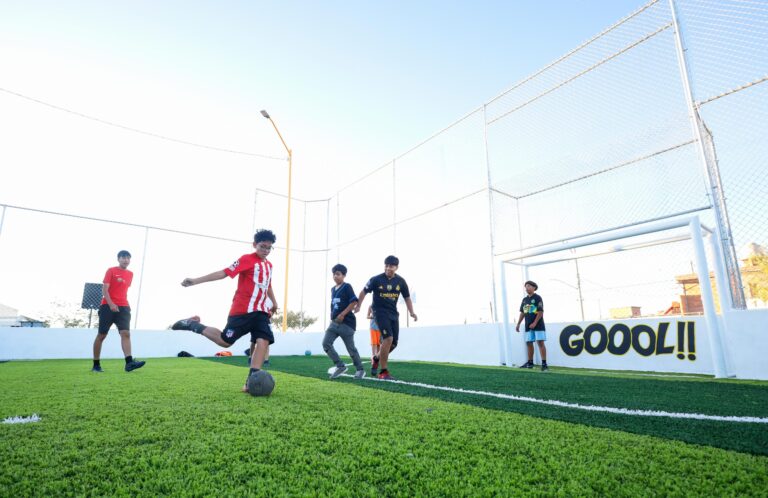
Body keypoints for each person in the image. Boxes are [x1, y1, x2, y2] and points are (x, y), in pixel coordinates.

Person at [172, 229, 278, 391]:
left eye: (269, 248)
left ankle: (250, 382)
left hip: (262, 311)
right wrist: (195, 280)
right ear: (254, 245)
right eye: (263, 247)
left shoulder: (269, 265)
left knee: (263, 341)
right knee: (225, 341)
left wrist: (274, 303)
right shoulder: (246, 259)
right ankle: (192, 324)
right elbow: (224, 273)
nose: (265, 251)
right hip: (242, 311)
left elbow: (267, 285)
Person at [354, 255, 417, 380]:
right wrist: (359, 305)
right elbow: (363, 292)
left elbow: (407, 298)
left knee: (393, 343)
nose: (388, 268)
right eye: (386, 266)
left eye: (391, 266)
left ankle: (376, 358)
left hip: (393, 313)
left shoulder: (401, 281)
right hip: (379, 312)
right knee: (388, 338)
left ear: (396, 267)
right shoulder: (376, 279)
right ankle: (383, 372)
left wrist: (412, 312)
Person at [91, 250, 146, 373]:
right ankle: (96, 364)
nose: (126, 260)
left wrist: (123, 306)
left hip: (124, 307)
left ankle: (129, 363)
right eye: (123, 257)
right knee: (102, 335)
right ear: (118, 259)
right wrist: (111, 304)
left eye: (128, 258)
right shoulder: (111, 270)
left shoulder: (130, 274)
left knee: (125, 333)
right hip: (107, 306)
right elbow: (105, 290)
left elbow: (123, 291)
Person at [323, 264, 365, 379]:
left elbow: (353, 302)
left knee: (351, 348)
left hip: (347, 323)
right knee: (326, 343)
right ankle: (340, 366)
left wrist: (342, 314)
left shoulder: (347, 287)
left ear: (344, 275)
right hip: (334, 323)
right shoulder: (332, 289)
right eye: (334, 274)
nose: (335, 276)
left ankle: (360, 369)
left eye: (338, 274)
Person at [515, 280, 548, 371]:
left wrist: (535, 323)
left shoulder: (538, 298)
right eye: (526, 286)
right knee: (529, 343)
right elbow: (522, 312)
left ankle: (544, 364)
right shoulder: (524, 300)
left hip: (538, 325)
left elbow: (540, 312)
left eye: (529, 286)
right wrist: (518, 324)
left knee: (540, 343)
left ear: (534, 288)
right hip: (528, 326)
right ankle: (530, 363)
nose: (527, 288)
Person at [367, 305, 381, 376]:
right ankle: (373, 361)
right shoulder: (371, 306)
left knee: (379, 346)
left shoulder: (381, 306)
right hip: (373, 328)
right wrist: (372, 316)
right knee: (374, 345)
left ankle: (376, 362)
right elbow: (367, 316)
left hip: (380, 328)